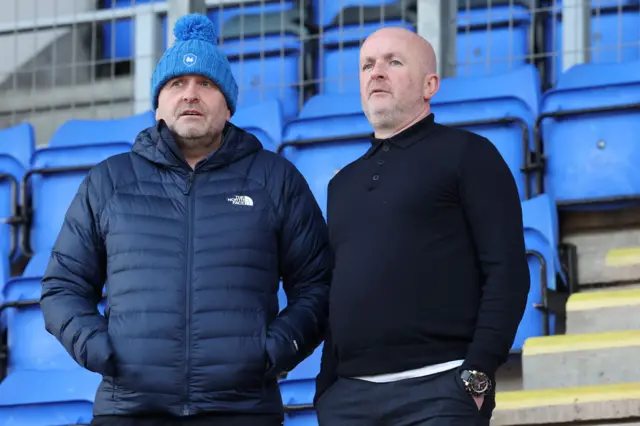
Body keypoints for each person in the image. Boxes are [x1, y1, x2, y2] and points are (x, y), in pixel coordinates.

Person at [40, 13, 331, 426]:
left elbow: (317, 284)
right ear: (159, 103)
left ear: (227, 105)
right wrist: (99, 348)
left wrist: (274, 350)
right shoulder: (110, 180)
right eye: (177, 84)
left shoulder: (275, 178)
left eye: (206, 84)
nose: (190, 94)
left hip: (243, 410)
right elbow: (62, 287)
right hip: (131, 410)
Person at [314, 27, 530, 426]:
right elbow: (335, 289)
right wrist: (327, 390)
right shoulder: (340, 184)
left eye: (393, 62)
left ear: (431, 84)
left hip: (441, 392)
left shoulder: (469, 154)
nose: (376, 72)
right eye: (367, 65)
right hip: (349, 400)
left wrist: (479, 373)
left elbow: (508, 271)